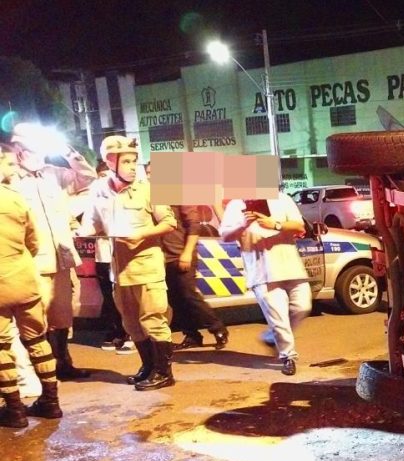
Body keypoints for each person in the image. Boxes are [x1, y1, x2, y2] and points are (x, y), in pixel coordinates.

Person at [79, 136, 177, 391]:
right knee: (131, 323)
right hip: (118, 270)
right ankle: (148, 366)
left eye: (135, 161)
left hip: (147, 267)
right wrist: (79, 232)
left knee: (153, 320)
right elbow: (92, 224)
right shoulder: (99, 190)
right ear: (111, 161)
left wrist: (141, 235)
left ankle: (164, 372)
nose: (133, 166)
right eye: (127, 161)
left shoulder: (150, 188)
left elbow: (169, 222)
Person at [10, 122, 96, 380]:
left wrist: (68, 152)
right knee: (35, 317)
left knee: (62, 315)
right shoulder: (10, 180)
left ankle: (63, 362)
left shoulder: (53, 174)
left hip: (61, 258)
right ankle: (40, 368)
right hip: (32, 262)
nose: (38, 153)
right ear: (19, 150)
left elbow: (88, 177)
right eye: (32, 148)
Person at [0, 143, 62, 428]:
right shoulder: (15, 199)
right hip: (24, 280)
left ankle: (14, 410)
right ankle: (51, 402)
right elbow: (33, 241)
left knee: (1, 346)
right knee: (37, 340)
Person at [219, 191, 310, 376]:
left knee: (302, 307)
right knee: (278, 317)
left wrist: (275, 224)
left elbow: (299, 225)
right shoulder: (236, 205)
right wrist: (243, 224)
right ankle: (288, 356)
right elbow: (225, 235)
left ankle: (270, 337)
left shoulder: (282, 198)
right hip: (262, 271)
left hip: (291, 265)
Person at [162, 204, 228, 351]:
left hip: (180, 253)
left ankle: (218, 328)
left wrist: (187, 253)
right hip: (162, 257)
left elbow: (194, 225)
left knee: (188, 295)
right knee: (174, 299)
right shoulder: (150, 196)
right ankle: (192, 336)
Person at [86, 160, 132, 352]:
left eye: (107, 176)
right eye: (101, 176)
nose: (103, 181)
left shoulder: (125, 197)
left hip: (121, 254)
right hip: (102, 255)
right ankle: (116, 331)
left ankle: (130, 333)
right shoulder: (94, 199)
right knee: (109, 297)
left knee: (126, 296)